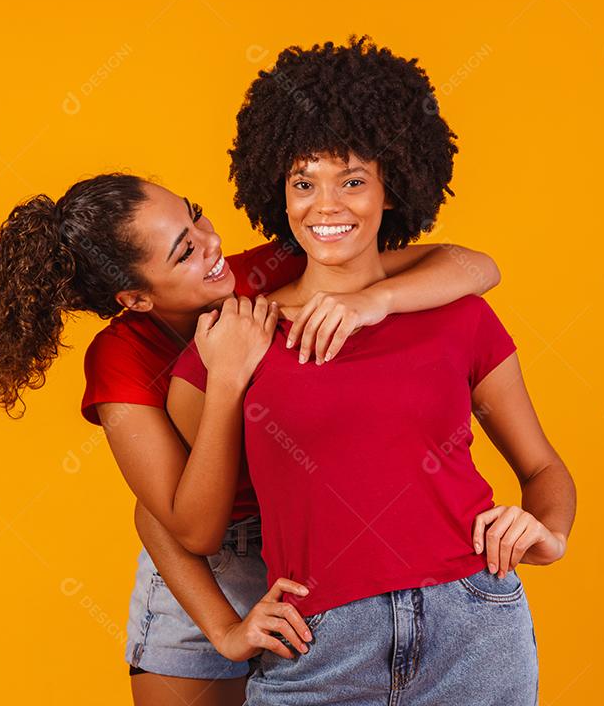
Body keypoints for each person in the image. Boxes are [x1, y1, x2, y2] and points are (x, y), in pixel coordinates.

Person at [0, 174, 500, 705]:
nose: (212, 243)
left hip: (310, 553)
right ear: (135, 299)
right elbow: (185, 525)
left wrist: (373, 300)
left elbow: (473, 266)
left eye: (197, 217)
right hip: (205, 573)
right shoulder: (121, 361)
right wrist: (226, 378)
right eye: (184, 250)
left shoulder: (257, 273)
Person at [166, 36, 577, 705]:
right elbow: (190, 526)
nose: (325, 207)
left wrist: (549, 533)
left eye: (352, 180)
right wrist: (231, 381)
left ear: (394, 188)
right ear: (278, 189)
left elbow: (543, 470)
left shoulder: (458, 316)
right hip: (319, 643)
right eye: (304, 182)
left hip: (474, 627)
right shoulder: (232, 338)